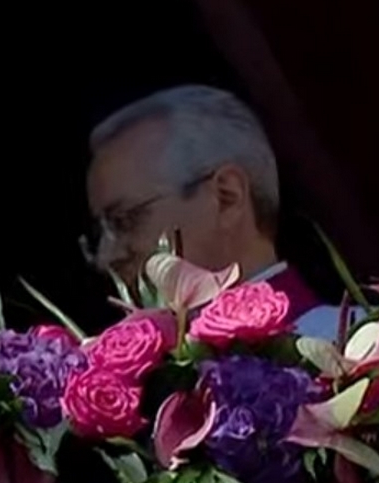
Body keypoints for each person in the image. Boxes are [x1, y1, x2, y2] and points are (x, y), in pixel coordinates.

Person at [83, 84, 342, 339]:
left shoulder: (364, 355)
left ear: (226, 197)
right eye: (100, 232)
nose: (108, 256)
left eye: (123, 220)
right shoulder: (156, 380)